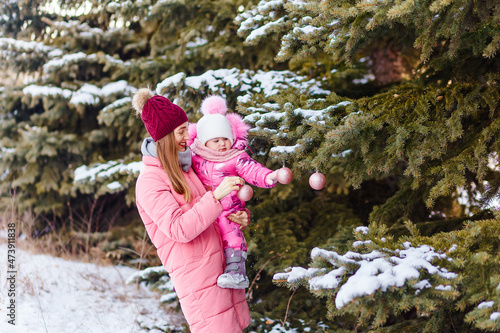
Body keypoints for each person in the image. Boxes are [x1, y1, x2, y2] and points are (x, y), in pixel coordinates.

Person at [132, 88, 251, 333]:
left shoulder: (185, 168)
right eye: (182, 131)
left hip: (221, 269)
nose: (189, 136)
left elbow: (213, 210)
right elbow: (180, 228)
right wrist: (215, 196)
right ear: (165, 136)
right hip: (198, 279)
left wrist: (239, 217)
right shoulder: (150, 181)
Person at [188, 95, 278, 289]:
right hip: (205, 207)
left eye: (225, 139)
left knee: (232, 234)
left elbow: (252, 169)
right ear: (204, 142)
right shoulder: (194, 157)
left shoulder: (235, 157)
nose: (222, 144)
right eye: (216, 140)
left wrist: (268, 176)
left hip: (229, 210)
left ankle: (236, 272)